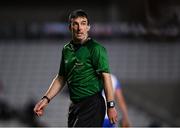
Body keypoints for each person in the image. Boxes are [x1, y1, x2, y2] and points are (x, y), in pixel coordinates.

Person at [34, 9, 118, 127]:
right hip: (74, 106)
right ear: (70, 27)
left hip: (92, 104)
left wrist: (111, 106)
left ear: (88, 27)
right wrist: (46, 99)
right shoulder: (66, 49)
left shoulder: (96, 48)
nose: (80, 28)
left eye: (83, 23)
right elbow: (61, 78)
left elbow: (106, 77)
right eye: (76, 24)